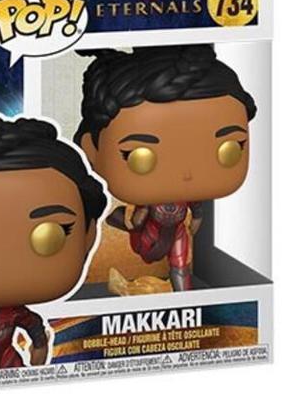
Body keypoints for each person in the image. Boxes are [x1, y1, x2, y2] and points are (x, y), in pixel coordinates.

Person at [73, 44, 257, 291]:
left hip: (176, 230)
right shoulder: (143, 203)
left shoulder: (190, 198)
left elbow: (197, 211)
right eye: (140, 157)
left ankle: (185, 297)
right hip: (147, 231)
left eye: (229, 149)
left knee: (180, 263)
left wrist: (196, 220)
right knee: (138, 231)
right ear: (90, 149)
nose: (187, 174)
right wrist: (135, 218)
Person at [0, 114, 107, 370]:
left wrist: (38, 360)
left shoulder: (15, 313)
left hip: (8, 364)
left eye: (49, 235)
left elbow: (37, 334)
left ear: (89, 234)